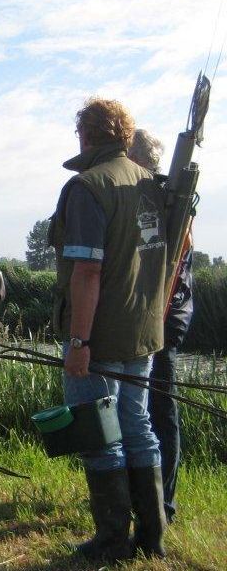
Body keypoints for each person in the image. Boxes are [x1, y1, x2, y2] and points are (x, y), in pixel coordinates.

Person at [49, 98, 168, 561]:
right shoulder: (152, 185)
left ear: (86, 136)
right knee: (138, 425)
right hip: (144, 333)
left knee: (101, 434)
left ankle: (112, 541)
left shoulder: (88, 186)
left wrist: (79, 341)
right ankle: (152, 538)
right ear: (124, 134)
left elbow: (87, 272)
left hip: (99, 335)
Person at [128, 128, 194, 524]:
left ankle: (161, 506)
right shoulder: (163, 197)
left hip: (161, 321)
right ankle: (146, 501)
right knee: (146, 412)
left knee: (159, 411)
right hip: (158, 318)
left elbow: (157, 263)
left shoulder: (163, 202)